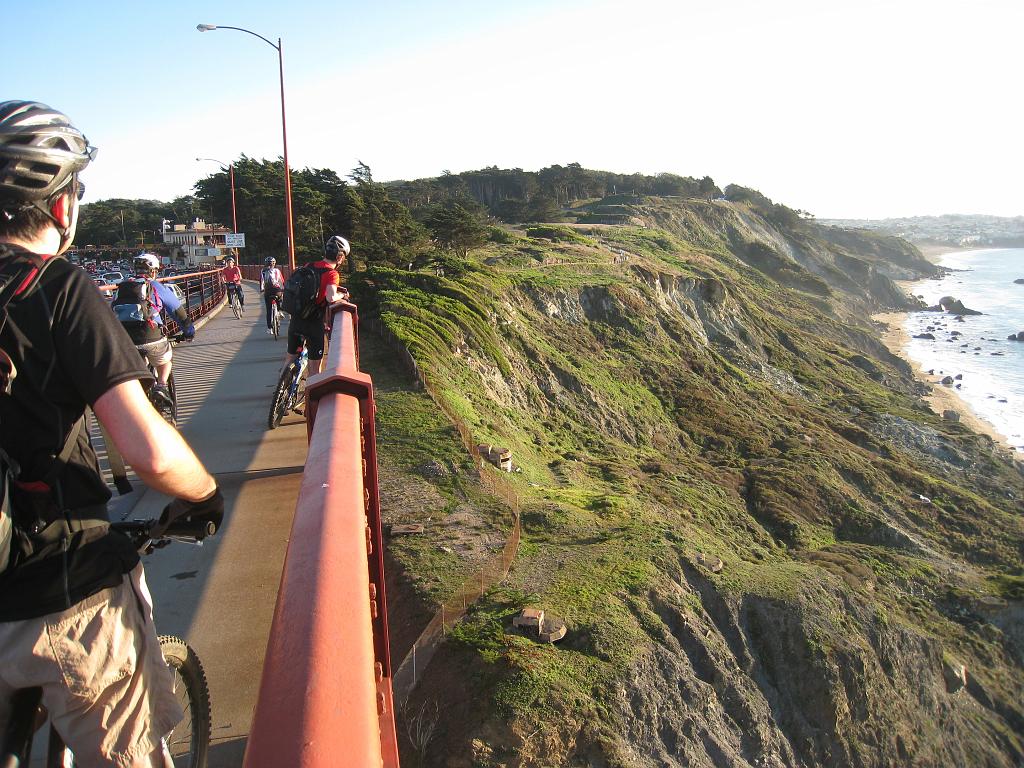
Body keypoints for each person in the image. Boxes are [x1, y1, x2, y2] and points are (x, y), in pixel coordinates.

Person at [0, 100, 224, 766]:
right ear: (62, 206)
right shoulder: (58, 289)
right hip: (57, 593)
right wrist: (205, 492)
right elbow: (148, 451)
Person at [114, 252, 195, 410]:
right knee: (165, 359)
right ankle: (162, 386)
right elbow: (178, 312)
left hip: (125, 341)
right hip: (151, 336)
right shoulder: (156, 286)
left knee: (135, 371)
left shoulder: (121, 288)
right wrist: (188, 331)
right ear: (154, 271)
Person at [285, 235, 350, 378]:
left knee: (289, 359)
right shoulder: (332, 274)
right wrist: (343, 296)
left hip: (296, 318)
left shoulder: (309, 265)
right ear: (340, 258)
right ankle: (310, 399)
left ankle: (280, 392)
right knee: (314, 369)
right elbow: (331, 297)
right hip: (313, 323)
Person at [259, 256, 285, 334]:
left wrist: (262, 289)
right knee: (280, 297)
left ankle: (269, 328)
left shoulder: (263, 271)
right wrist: (283, 288)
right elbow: (281, 281)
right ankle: (280, 311)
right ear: (274, 263)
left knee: (269, 309)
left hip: (267, 291)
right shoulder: (277, 270)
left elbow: (262, 281)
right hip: (277, 290)